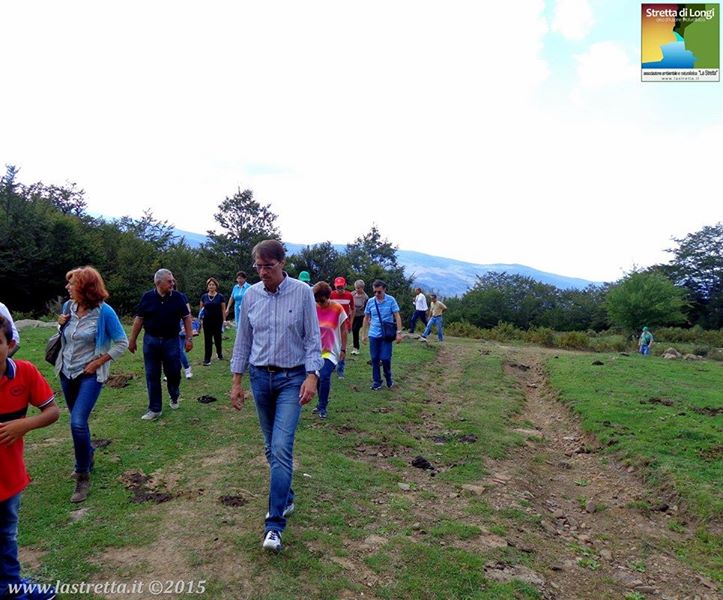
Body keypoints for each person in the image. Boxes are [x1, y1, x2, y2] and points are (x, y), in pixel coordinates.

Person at [230, 240, 323, 553]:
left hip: (291, 379)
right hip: (259, 378)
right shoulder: (251, 295)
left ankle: (274, 526)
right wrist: (236, 381)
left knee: (282, 447)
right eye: (258, 266)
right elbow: (243, 340)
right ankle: (287, 496)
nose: (262, 272)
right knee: (271, 446)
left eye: (268, 266)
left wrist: (312, 375)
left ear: (282, 263)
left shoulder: (302, 292)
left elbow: (312, 338)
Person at [55, 267, 128, 502]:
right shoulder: (68, 307)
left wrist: (98, 362)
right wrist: (60, 324)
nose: (67, 287)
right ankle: (88, 454)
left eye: (72, 283)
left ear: (85, 288)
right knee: (79, 421)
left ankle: (82, 475)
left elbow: (122, 343)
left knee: (77, 423)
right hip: (66, 372)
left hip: (89, 375)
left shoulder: (104, 312)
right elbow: (66, 337)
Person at [0, 315, 60, 600]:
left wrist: (24, 425)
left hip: (9, 477)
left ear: (10, 344)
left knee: (6, 535)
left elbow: (52, 411)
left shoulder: (24, 373)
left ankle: (11, 587)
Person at [129, 269, 193, 420]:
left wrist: (189, 338)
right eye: (169, 281)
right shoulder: (147, 297)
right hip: (151, 341)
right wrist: (132, 340)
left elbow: (187, 317)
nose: (172, 283)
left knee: (173, 372)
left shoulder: (178, 297)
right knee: (152, 374)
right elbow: (139, 319)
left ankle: (174, 394)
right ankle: (155, 409)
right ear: (158, 283)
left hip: (171, 340)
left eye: (173, 281)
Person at [312, 281, 348, 419]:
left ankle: (323, 407)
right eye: (317, 300)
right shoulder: (312, 308)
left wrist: (343, 349)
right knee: (318, 377)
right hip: (315, 350)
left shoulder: (337, 308)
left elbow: (344, 330)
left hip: (331, 350)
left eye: (322, 300)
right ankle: (321, 402)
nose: (319, 303)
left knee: (324, 375)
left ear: (328, 296)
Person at [362, 280, 402, 390]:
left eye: (379, 292)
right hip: (373, 334)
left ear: (384, 289)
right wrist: (364, 334)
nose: (376, 294)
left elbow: (397, 316)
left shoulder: (391, 300)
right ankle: (377, 381)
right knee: (374, 358)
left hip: (386, 335)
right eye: (374, 292)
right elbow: (366, 317)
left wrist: (399, 333)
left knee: (385, 358)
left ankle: (388, 376)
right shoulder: (370, 301)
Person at [329, 277, 353, 378]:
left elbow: (353, 309)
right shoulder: (331, 295)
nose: (339, 289)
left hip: (344, 324)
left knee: (343, 346)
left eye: (341, 287)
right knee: (332, 345)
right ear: (334, 286)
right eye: (338, 287)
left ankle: (341, 369)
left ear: (345, 285)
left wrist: (351, 322)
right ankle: (332, 364)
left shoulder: (349, 295)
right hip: (333, 324)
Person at [199, 277, 226, 366]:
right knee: (208, 340)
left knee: (218, 339)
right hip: (207, 321)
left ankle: (219, 353)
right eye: (210, 285)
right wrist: (200, 320)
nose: (211, 286)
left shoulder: (220, 297)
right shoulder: (204, 297)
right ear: (207, 286)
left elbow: (223, 310)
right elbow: (201, 310)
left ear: (216, 286)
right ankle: (207, 359)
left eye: (213, 285)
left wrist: (224, 320)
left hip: (217, 321)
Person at [350, 280, 368, 356]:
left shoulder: (365, 297)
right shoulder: (352, 294)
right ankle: (355, 344)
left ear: (362, 288)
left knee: (355, 329)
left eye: (358, 288)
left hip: (361, 316)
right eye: (356, 288)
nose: (357, 289)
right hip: (353, 315)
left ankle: (356, 348)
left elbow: (366, 309)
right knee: (353, 330)